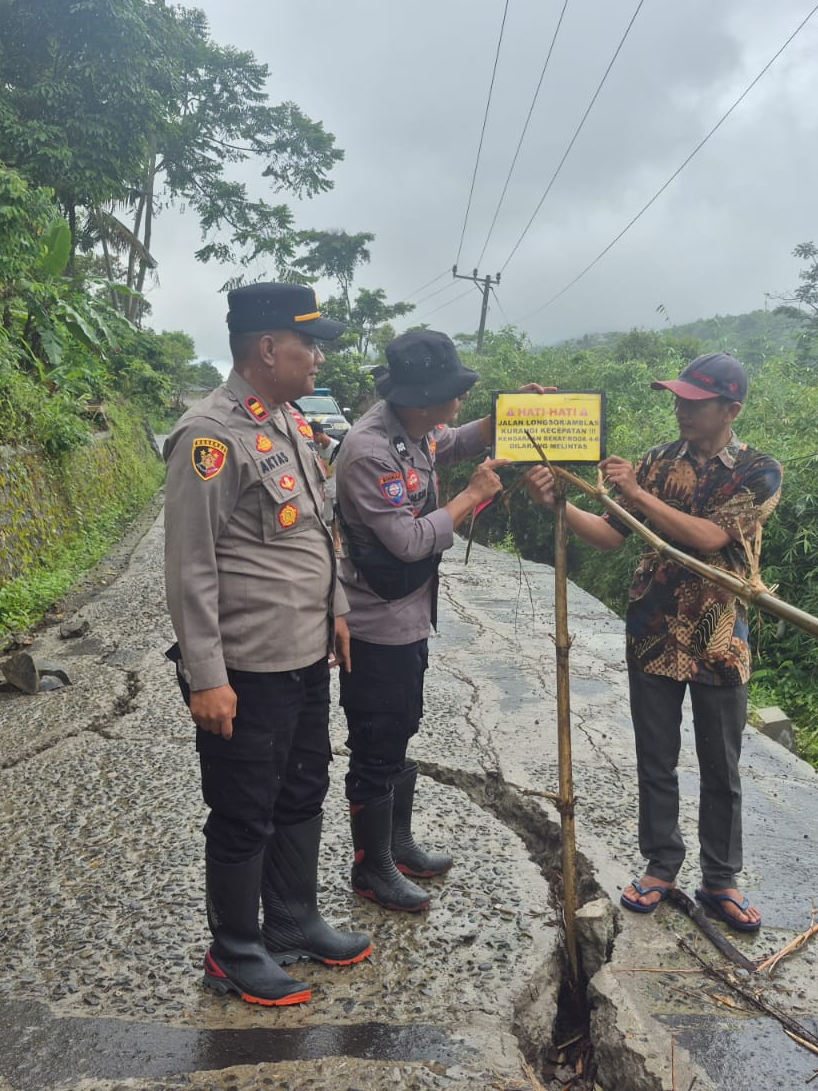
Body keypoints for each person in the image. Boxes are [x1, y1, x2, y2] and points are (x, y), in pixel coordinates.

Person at [163, 281, 369, 1008]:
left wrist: (336, 608)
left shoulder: (288, 423)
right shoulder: (209, 437)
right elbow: (190, 567)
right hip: (247, 668)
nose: (318, 356)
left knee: (303, 788)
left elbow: (316, 527)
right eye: (309, 343)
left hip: (305, 655)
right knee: (244, 806)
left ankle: (292, 919)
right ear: (267, 348)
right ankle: (237, 949)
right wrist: (205, 675)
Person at [523, 352, 781, 932]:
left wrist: (636, 494)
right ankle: (661, 864)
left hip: (719, 636)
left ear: (730, 409)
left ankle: (721, 880)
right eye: (679, 398)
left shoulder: (759, 470)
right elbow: (611, 538)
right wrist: (559, 507)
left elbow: (712, 538)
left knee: (722, 765)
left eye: (695, 402)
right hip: (653, 630)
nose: (681, 409)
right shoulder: (656, 462)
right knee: (655, 759)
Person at [333, 330, 544, 911]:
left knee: (400, 730)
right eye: (454, 392)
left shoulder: (412, 430)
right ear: (422, 398)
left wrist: (511, 414)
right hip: (377, 624)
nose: (459, 402)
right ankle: (371, 868)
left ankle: (397, 846)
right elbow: (406, 541)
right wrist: (470, 497)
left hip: (407, 617)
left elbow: (455, 439)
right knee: (376, 743)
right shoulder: (369, 449)